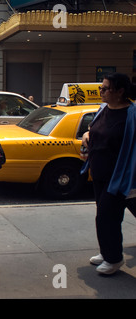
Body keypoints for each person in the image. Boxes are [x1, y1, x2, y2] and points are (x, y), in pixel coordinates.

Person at [82, 73, 136, 275]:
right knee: (105, 215)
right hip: (99, 171)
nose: (101, 92)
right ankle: (107, 252)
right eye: (101, 88)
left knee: (106, 216)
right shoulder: (103, 109)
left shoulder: (132, 114)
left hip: (120, 174)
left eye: (105, 89)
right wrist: (87, 136)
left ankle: (114, 259)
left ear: (120, 91)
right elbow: (92, 129)